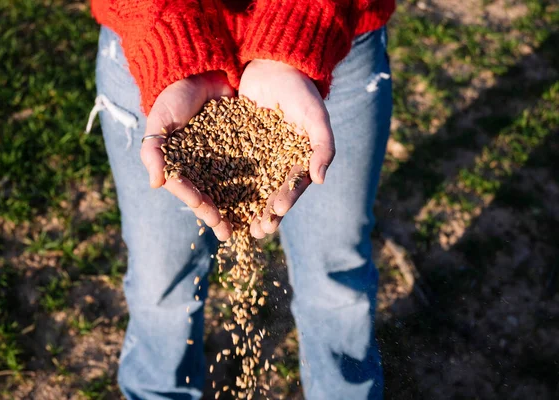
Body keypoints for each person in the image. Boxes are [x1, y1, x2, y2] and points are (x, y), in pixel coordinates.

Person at [88, 0, 395, 399]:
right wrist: (169, 34)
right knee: (158, 278)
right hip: (150, 39)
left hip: (331, 32)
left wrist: (299, 24)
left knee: (336, 276)